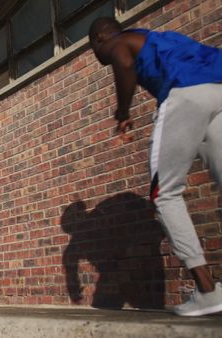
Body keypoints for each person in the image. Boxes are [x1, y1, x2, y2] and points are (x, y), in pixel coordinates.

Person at [88, 17, 222, 316]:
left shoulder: (117, 42)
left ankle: (207, 290)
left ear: (99, 39)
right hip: (218, 88)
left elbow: (123, 63)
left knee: (165, 194)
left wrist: (122, 112)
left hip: (185, 94)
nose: (98, 56)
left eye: (93, 49)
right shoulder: (158, 38)